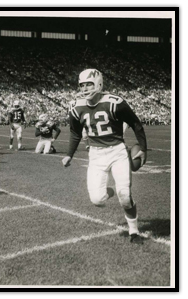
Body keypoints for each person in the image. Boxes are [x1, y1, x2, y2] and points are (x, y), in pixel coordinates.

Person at [62, 69, 147, 243]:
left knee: (125, 195)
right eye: (82, 85)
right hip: (96, 155)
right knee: (97, 200)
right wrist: (69, 154)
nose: (85, 88)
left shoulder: (115, 103)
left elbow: (135, 123)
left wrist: (143, 148)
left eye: (89, 84)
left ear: (99, 84)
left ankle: (134, 231)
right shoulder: (76, 106)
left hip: (117, 151)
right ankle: (110, 192)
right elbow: (75, 133)